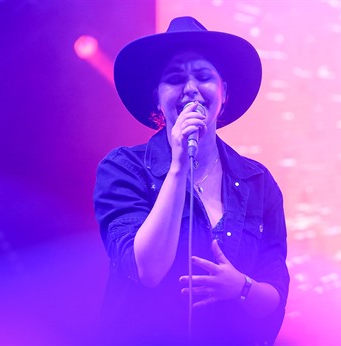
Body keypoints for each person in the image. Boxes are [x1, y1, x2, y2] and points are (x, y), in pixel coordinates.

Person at [93, 16, 289, 345]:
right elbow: (147, 271)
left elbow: (275, 296)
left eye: (203, 76)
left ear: (223, 92)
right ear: (157, 98)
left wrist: (240, 286)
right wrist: (178, 165)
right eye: (174, 79)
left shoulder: (258, 182)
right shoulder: (124, 168)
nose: (190, 89)